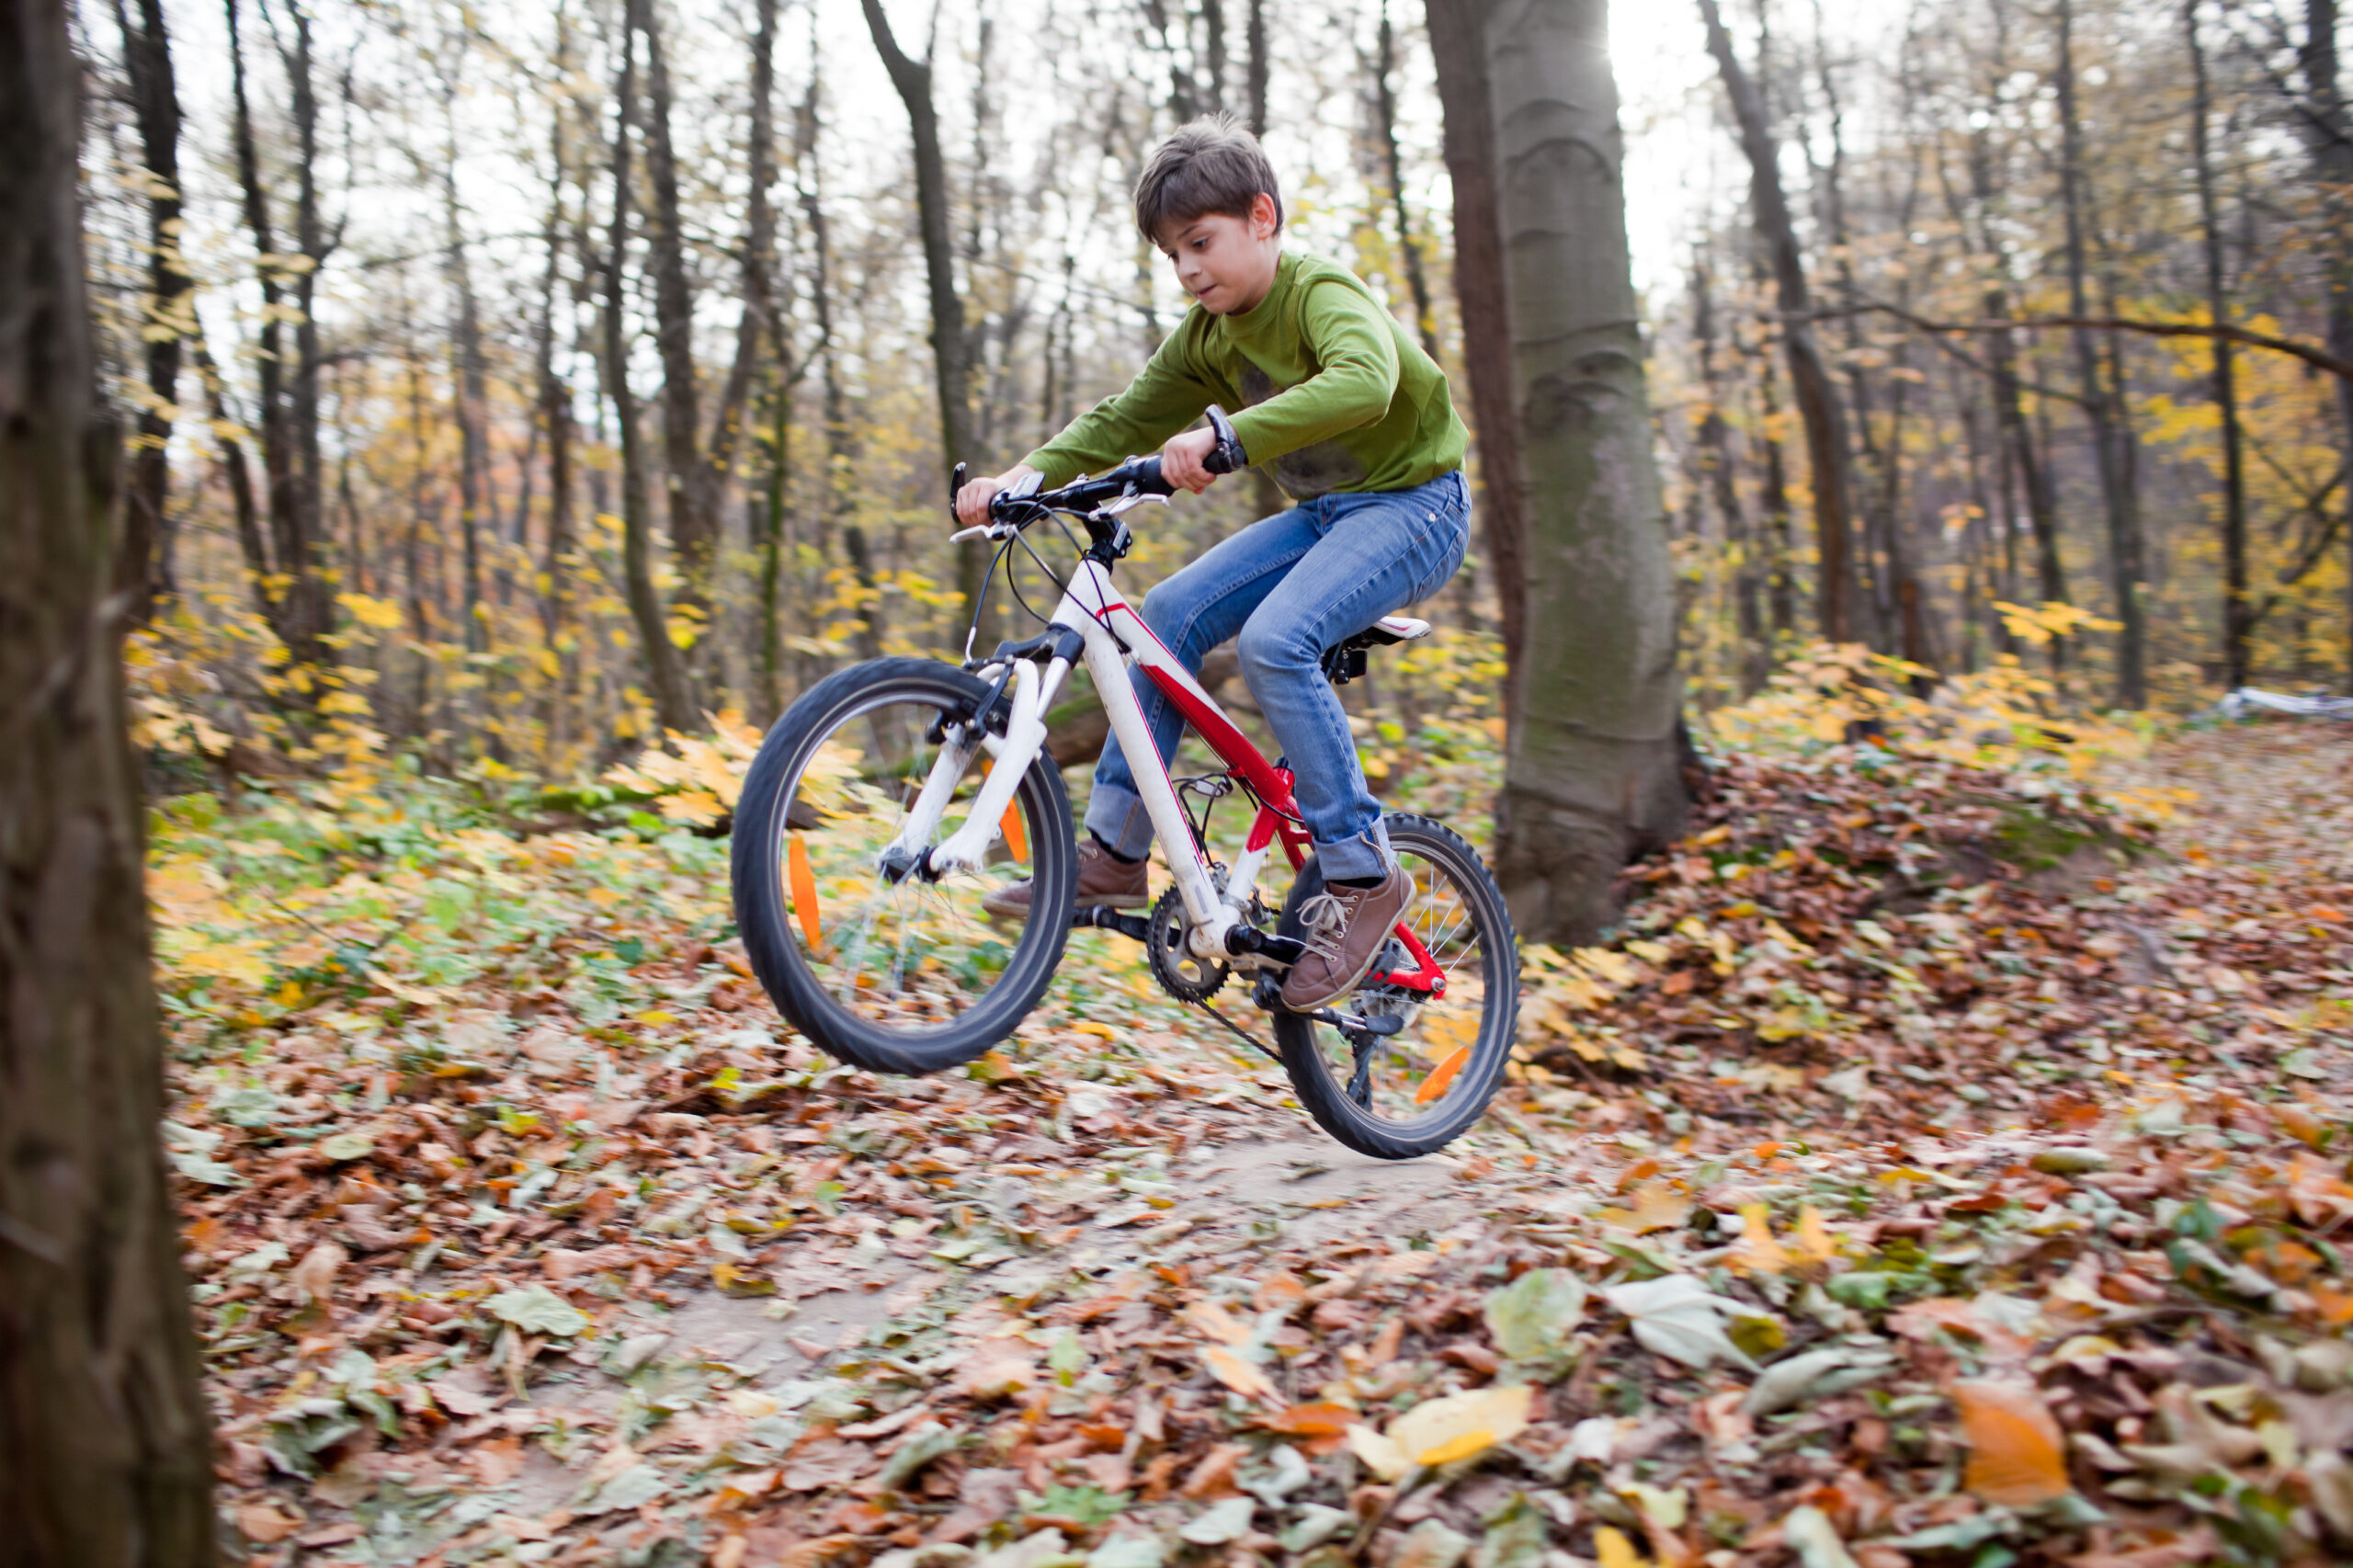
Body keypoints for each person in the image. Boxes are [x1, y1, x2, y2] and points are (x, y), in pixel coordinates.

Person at [957, 113, 1471, 1014]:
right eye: (1172, 255)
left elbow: (1366, 381)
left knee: (1276, 639)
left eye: (1202, 241)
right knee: (1164, 618)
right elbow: (1121, 418)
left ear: (1261, 217)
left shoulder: (1318, 293)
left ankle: (1362, 875)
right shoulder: (1207, 336)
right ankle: (1112, 852)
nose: (1190, 269)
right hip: (1328, 515)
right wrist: (1023, 478)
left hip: (1417, 506)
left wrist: (1226, 436)